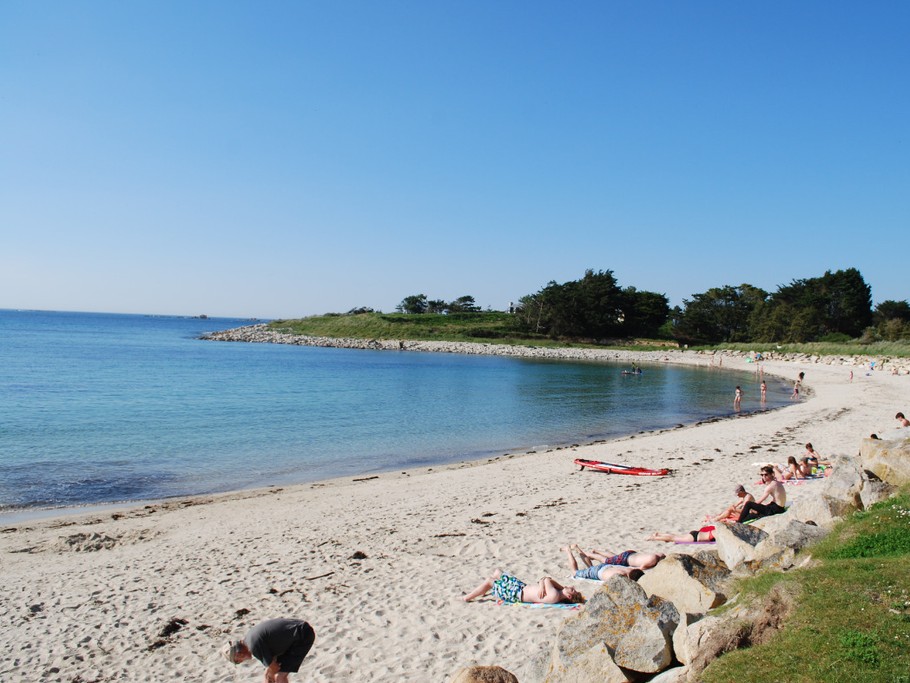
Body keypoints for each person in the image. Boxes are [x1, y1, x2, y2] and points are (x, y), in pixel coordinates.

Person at [221, 618, 315, 682]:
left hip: (302, 635)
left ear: (238, 654)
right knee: (271, 674)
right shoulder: (250, 638)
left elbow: (274, 667)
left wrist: (270, 674)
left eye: (238, 661)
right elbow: (272, 664)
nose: (241, 661)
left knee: (279, 676)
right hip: (299, 629)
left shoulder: (254, 647)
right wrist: (269, 674)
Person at [463, 569, 584, 604]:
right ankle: (484, 590)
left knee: (490, 581)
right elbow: (546, 579)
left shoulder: (554, 595)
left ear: (568, 596)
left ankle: (467, 598)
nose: (570, 586)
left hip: (515, 593)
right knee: (498, 572)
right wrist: (543, 583)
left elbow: (545, 579)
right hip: (520, 587)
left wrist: (542, 584)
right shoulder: (557, 592)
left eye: (571, 589)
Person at [561, 545, 662, 581]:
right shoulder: (623, 575)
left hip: (611, 566)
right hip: (600, 571)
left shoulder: (629, 570)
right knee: (575, 572)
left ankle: (578, 550)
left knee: (593, 566)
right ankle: (568, 551)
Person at [647, 525, 716, 543]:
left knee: (675, 536)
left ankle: (660, 534)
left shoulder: (716, 531)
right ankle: (654, 538)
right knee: (673, 538)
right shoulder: (717, 533)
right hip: (694, 538)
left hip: (697, 533)